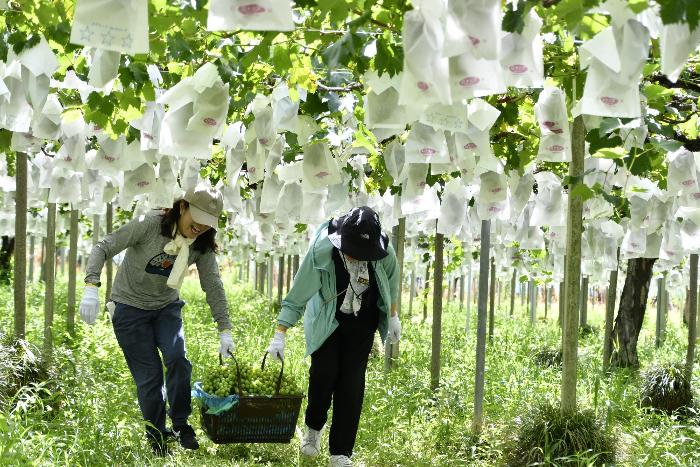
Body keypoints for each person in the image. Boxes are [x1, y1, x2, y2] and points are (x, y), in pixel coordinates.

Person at [79, 183, 236, 456]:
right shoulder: (150, 225)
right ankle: (156, 437)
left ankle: (179, 424)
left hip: (166, 307)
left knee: (177, 358)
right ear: (182, 206)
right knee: (150, 378)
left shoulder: (201, 244)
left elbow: (213, 285)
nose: (201, 227)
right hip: (129, 308)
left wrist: (225, 329)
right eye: (198, 218)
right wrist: (92, 285)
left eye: (208, 223)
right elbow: (104, 246)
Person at [266, 206, 401, 467]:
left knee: (352, 383)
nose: (356, 255)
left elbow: (392, 283)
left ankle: (340, 452)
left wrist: (393, 315)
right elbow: (299, 291)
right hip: (327, 318)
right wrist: (280, 333)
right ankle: (313, 429)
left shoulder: (383, 250)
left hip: (364, 319)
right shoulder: (323, 249)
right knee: (323, 374)